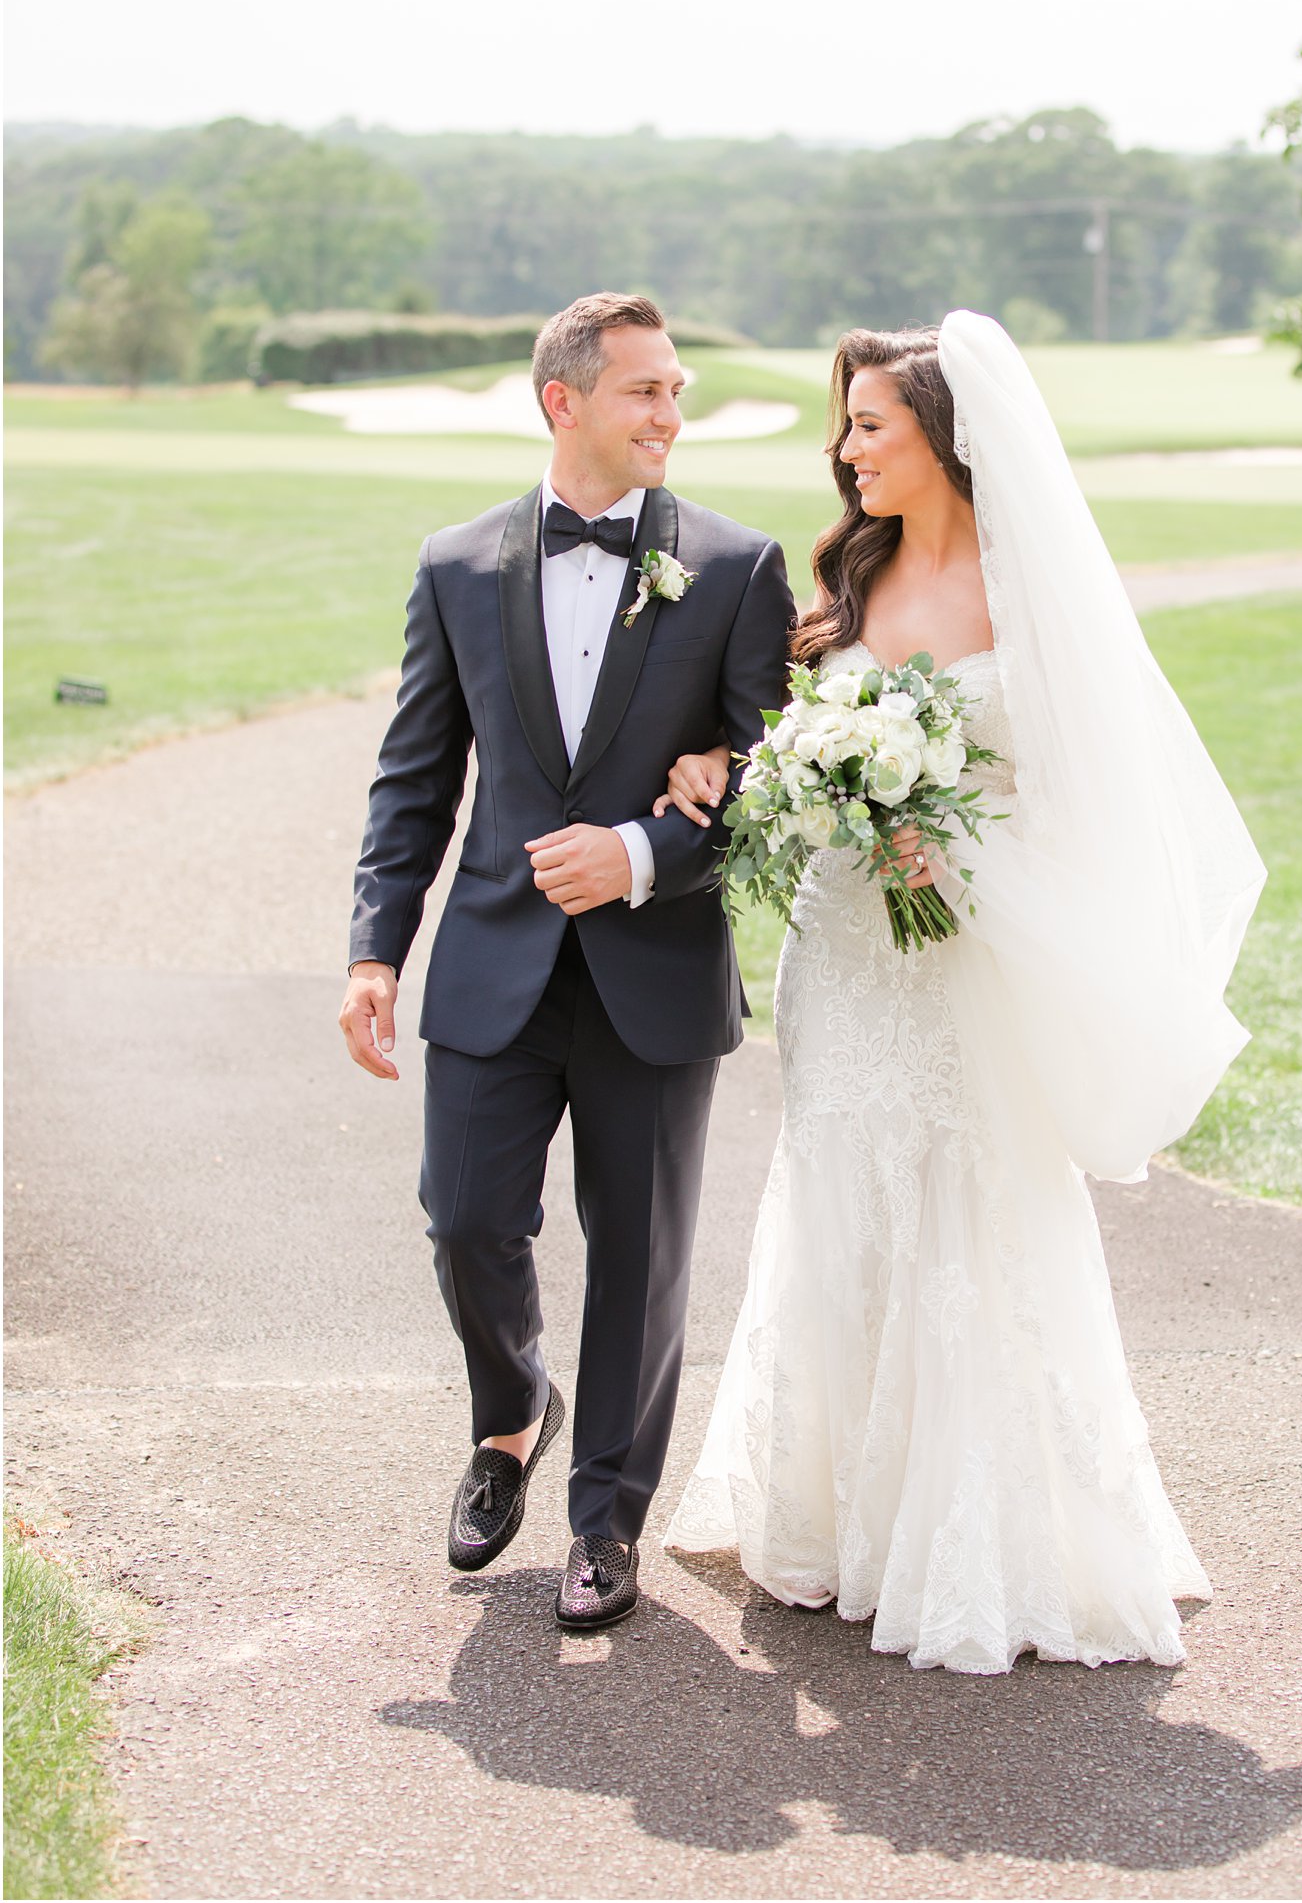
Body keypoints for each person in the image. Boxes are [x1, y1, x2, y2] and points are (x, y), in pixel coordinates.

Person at [659, 312, 1266, 1673]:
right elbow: (780, 738)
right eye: (847, 424)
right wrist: (770, 777)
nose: (847, 447)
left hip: (964, 952)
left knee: (970, 1194)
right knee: (841, 1187)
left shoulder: (1026, 588)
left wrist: (950, 842)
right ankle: (833, 1515)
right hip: (843, 948)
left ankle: (976, 1537)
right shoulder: (844, 576)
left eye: (870, 422)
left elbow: (1082, 796)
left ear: (943, 433)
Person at [339, 293, 792, 1631]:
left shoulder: (735, 568)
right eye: (645, 390)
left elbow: (772, 784)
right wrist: (376, 949)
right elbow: (414, 778)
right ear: (564, 402)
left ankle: (606, 1516)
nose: (670, 414)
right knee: (467, 1217)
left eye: (676, 391)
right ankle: (510, 1410)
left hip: (654, 974)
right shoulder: (457, 564)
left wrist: (644, 854)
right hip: (491, 965)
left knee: (640, 1255)